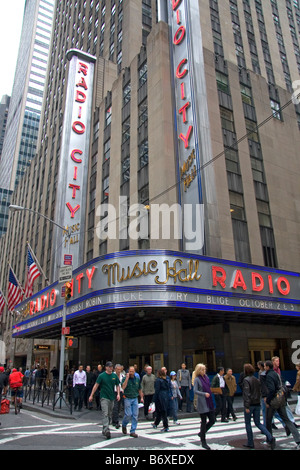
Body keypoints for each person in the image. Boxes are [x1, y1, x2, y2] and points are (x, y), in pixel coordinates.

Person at [265, 360, 300, 449]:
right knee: (286, 419)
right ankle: (298, 439)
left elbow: (272, 389)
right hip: (281, 399)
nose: (264, 368)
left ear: (268, 367)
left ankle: (270, 439)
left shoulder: (269, 375)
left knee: (268, 420)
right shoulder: (276, 374)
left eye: (265, 366)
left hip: (274, 401)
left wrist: (268, 401)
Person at [242, 363, 275, 450]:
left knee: (248, 423)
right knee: (258, 423)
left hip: (250, 404)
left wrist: (247, 406)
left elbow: (247, 394)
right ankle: (270, 437)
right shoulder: (257, 380)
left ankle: (250, 442)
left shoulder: (246, 380)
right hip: (257, 403)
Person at [89, 361, 120, 439]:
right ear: (106, 367)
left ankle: (104, 428)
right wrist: (91, 395)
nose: (111, 368)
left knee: (109, 414)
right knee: (105, 413)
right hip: (104, 397)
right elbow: (96, 385)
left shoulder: (114, 376)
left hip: (112, 397)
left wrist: (118, 394)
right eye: (109, 367)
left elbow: (117, 385)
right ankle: (106, 429)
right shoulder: (101, 376)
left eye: (111, 367)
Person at [193, 363, 215, 450]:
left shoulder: (207, 378)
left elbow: (209, 387)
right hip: (202, 402)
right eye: (202, 369)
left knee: (212, 420)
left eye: (204, 369)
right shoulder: (197, 379)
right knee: (203, 421)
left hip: (209, 401)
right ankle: (203, 441)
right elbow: (195, 391)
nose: (204, 371)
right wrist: (204, 394)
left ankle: (202, 433)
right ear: (199, 370)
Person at [121, 366, 144, 438]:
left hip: (135, 398)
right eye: (130, 371)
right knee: (128, 414)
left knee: (135, 415)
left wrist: (142, 397)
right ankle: (124, 424)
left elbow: (139, 389)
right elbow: (123, 387)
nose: (131, 373)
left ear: (134, 372)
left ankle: (133, 431)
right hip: (127, 397)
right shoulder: (125, 378)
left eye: (132, 371)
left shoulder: (137, 379)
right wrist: (127, 379)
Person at [152, 368, 170, 432]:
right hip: (165, 396)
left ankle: (165, 426)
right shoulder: (166, 380)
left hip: (160, 397)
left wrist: (153, 399)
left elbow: (157, 390)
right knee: (161, 411)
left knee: (161, 411)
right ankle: (156, 423)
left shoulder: (158, 381)